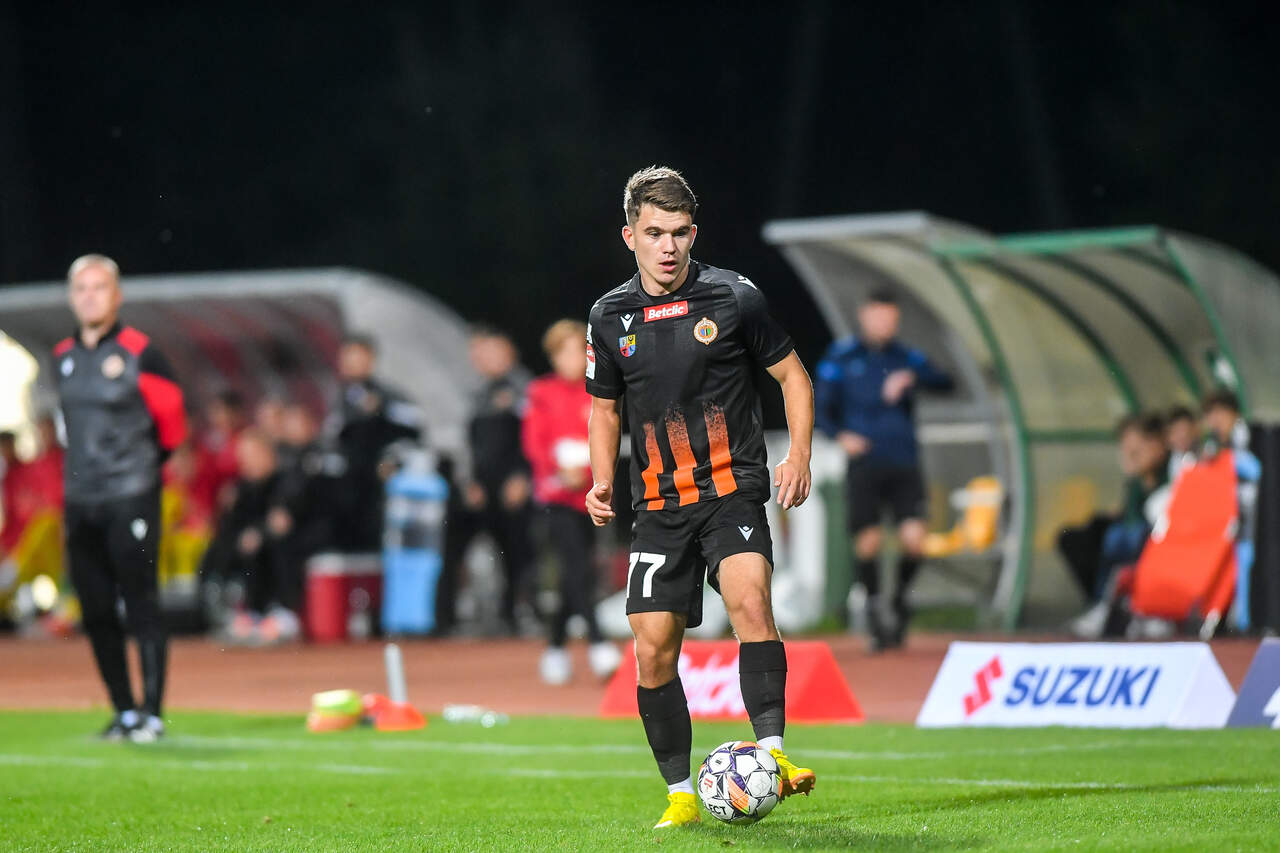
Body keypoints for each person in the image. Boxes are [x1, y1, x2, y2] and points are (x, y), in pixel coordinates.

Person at [585, 166, 816, 829]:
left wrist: (798, 455)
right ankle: (681, 795)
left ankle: (774, 757)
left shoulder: (733, 296)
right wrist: (602, 478)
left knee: (751, 600)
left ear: (694, 233)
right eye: (655, 232)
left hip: (730, 491)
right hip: (658, 507)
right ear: (630, 235)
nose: (668, 246)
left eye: (680, 232)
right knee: (653, 649)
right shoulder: (608, 316)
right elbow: (604, 409)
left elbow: (793, 376)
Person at [54, 254, 187, 742]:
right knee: (94, 608)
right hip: (80, 498)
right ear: (71, 297)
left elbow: (172, 426)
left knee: (141, 601)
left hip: (130, 495)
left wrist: (140, 472)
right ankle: (123, 711)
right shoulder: (62, 356)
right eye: (81, 288)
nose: (90, 297)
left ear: (117, 295)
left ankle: (152, 713)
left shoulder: (141, 352)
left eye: (99, 287)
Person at [813, 290, 953, 650]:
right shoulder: (842, 358)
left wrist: (913, 379)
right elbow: (820, 408)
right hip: (865, 465)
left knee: (915, 541)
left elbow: (947, 382)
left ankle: (899, 600)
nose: (885, 324)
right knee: (868, 541)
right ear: (864, 316)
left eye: (891, 319)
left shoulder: (907, 358)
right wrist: (841, 436)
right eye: (879, 316)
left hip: (904, 462)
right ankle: (876, 611)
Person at [521, 319, 622, 684]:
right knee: (577, 566)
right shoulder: (540, 391)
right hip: (555, 497)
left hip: (589, 497)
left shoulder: (598, 390)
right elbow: (535, 442)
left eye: (577, 351)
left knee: (576, 571)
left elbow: (606, 435)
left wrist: (592, 471)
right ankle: (598, 643)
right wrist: (557, 470)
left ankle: (555, 646)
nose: (571, 359)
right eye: (563, 352)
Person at [437, 327, 536, 635]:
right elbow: (461, 445)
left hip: (512, 487)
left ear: (509, 353)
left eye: (492, 351)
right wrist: (467, 482)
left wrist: (523, 476)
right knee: (452, 548)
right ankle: (444, 622)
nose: (484, 358)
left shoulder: (527, 390)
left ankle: (516, 616)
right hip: (477, 487)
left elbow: (534, 439)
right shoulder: (472, 393)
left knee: (517, 553)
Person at [1070, 413, 1170, 638]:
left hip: (1164, 536)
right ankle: (1103, 605)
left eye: (1136, 447)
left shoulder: (1173, 469)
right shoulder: (1135, 481)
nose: (1130, 453)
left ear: (1155, 443)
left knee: (1120, 538)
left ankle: (1146, 609)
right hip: (1142, 535)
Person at [333, 333, 423, 551]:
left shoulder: (388, 396)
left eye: (357, 357)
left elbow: (415, 427)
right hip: (351, 486)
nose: (351, 363)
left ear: (370, 359)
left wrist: (382, 410)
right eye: (347, 357)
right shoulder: (340, 399)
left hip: (381, 486)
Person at [1200, 389, 1260, 634]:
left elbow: (1258, 469)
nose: (1215, 421)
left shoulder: (1248, 436)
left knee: (1246, 566)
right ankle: (1223, 621)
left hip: (1251, 519)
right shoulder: (1213, 445)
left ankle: (1246, 624)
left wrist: (1230, 460)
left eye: (1220, 414)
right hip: (1224, 521)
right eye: (1210, 415)